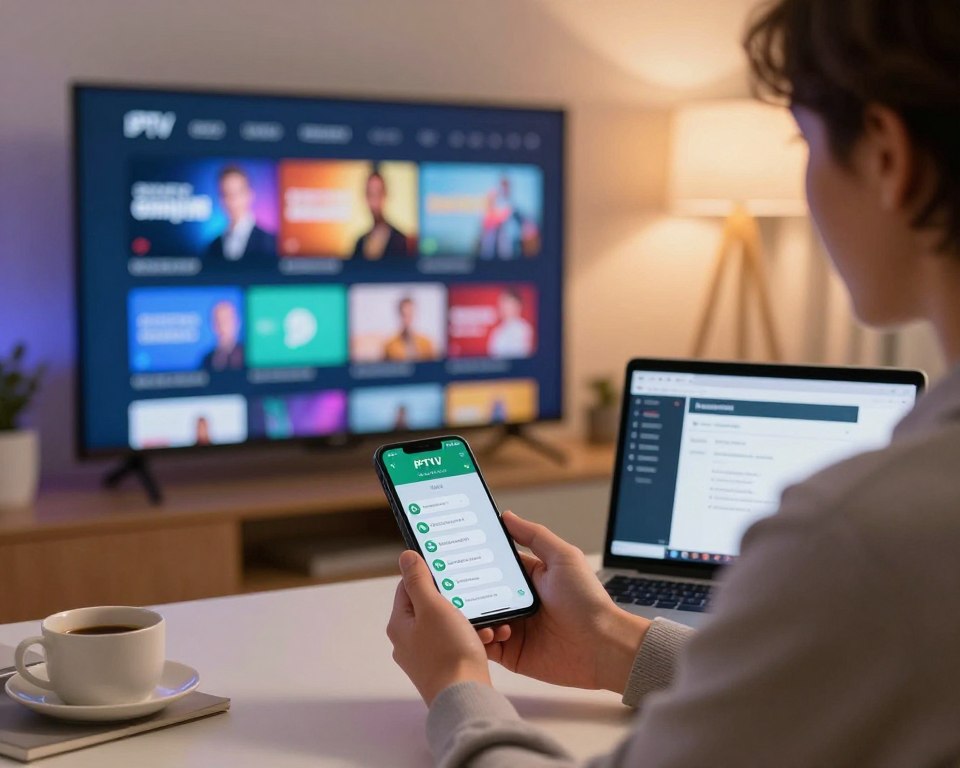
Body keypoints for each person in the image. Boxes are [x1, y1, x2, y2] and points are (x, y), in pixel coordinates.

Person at [386, 1, 960, 765]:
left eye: (804, 143)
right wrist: (615, 643)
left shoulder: (857, 539)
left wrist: (457, 684)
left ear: (888, 156)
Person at [206, 165, 276, 263]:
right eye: (226, 194)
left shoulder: (271, 242)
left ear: (249, 195)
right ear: (220, 199)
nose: (232, 201)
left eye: (237, 193)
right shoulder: (213, 247)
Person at [352, 170, 409, 260]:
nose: (374, 201)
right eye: (370, 194)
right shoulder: (360, 242)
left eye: (378, 194)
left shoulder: (400, 240)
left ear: (385, 195)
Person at [384, 297, 437, 362]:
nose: (407, 320)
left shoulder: (426, 344)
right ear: (399, 315)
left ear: (415, 315)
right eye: (404, 315)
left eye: (410, 315)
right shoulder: (390, 346)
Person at [487, 288, 535, 358]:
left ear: (518, 306)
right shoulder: (496, 332)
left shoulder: (524, 328)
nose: (504, 307)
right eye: (502, 303)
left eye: (508, 303)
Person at [202, 301, 244, 370]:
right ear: (213, 325)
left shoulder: (248, 354)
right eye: (218, 320)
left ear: (237, 323)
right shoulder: (207, 360)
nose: (222, 326)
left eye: (226, 320)